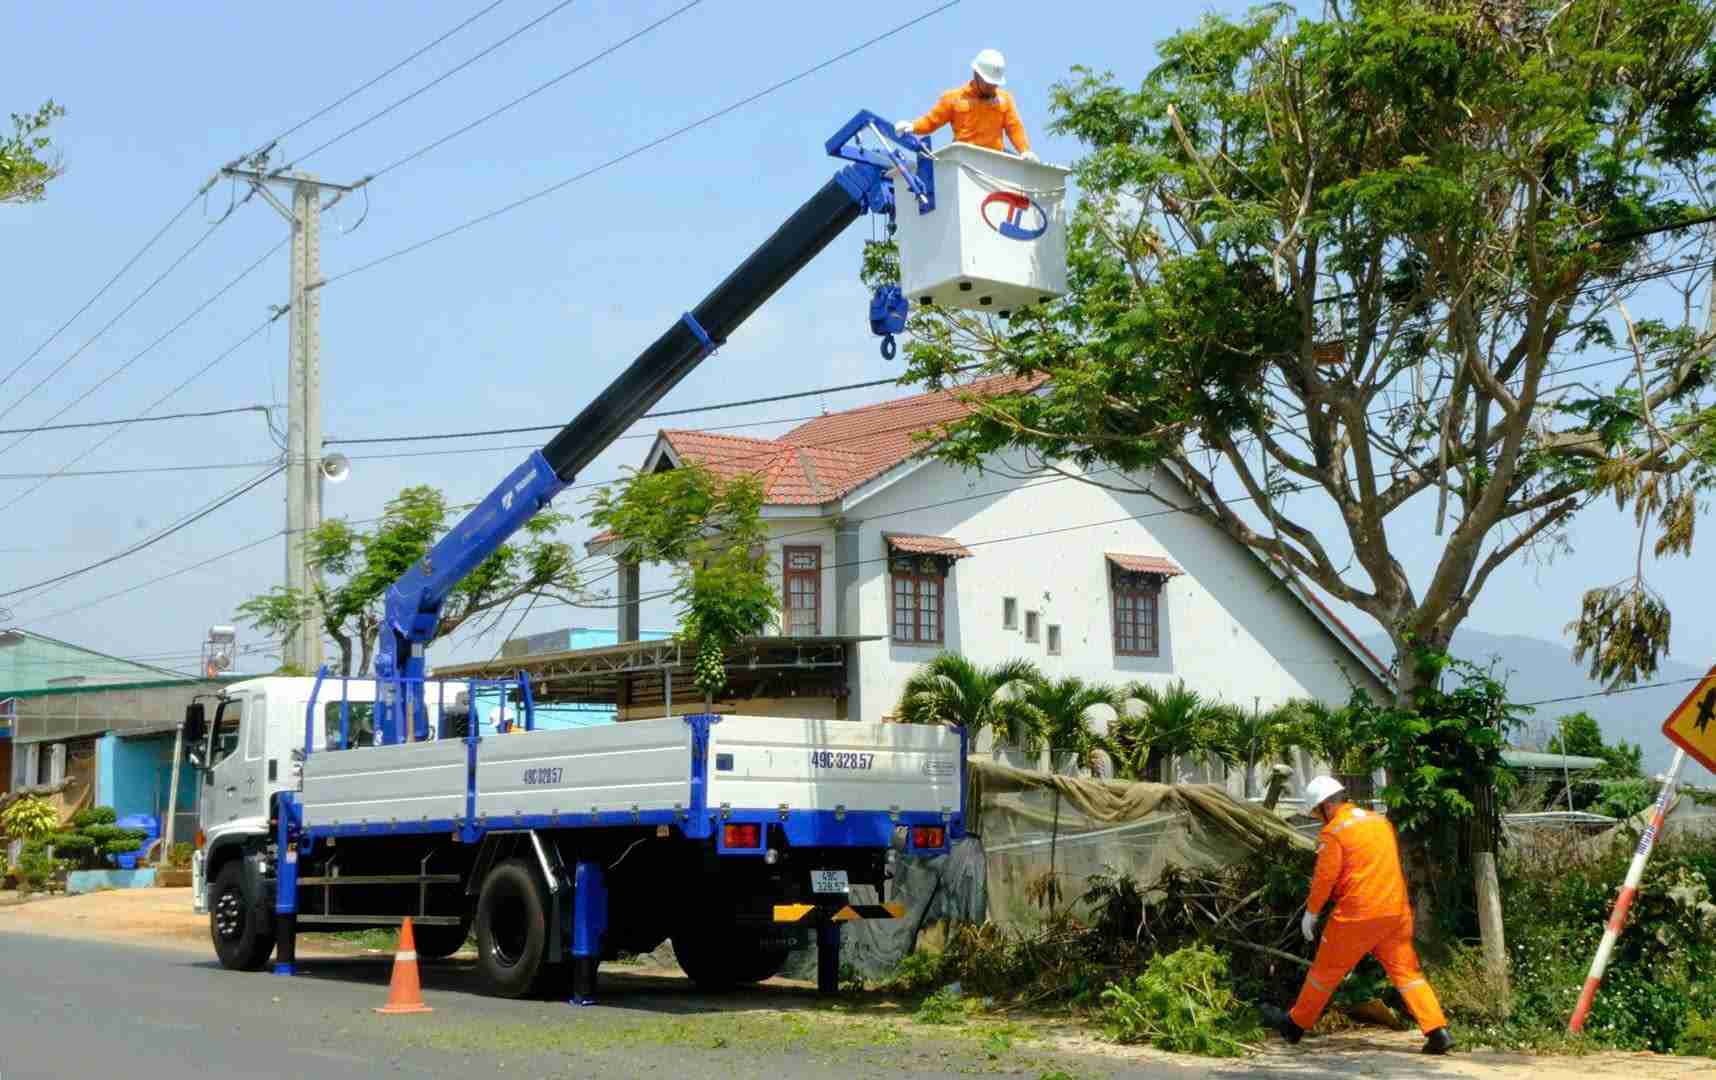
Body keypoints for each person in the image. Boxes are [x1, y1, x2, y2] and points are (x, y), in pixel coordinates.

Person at [1264, 776, 1455, 1056]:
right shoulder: (1379, 822)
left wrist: (1312, 913)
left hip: (1357, 915)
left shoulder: (1335, 832)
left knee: (1324, 973)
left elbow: (1325, 878)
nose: (1318, 818)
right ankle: (1438, 1031)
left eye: (1317, 812)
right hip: (1395, 912)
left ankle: (1294, 1026)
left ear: (1327, 806)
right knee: (1407, 974)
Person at [896, 48, 1037, 161]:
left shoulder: (1005, 99)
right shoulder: (953, 98)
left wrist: (1025, 150)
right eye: (988, 83)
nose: (992, 87)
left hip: (995, 161)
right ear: (976, 74)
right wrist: (912, 126)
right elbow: (931, 121)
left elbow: (1014, 128)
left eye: (995, 84)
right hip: (964, 161)